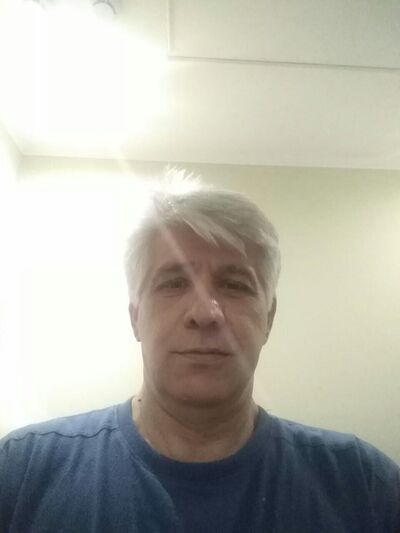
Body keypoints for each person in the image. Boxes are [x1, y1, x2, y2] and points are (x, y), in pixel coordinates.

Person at [0, 171, 399, 532]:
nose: (206, 313)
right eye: (173, 283)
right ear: (135, 317)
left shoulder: (365, 486)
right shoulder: (22, 470)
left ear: (269, 318)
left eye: (235, 285)